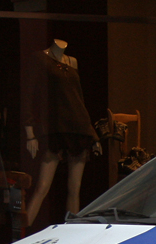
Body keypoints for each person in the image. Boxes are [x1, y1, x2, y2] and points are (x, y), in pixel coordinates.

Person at [23, 39, 101, 226]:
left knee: (75, 188)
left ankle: (71, 235)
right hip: (55, 129)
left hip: (79, 127)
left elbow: (78, 99)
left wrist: (93, 135)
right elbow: (28, 95)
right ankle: (21, 235)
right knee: (42, 187)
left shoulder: (72, 62)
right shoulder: (40, 59)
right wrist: (30, 133)